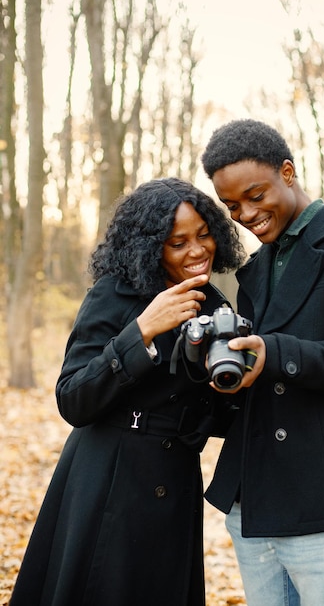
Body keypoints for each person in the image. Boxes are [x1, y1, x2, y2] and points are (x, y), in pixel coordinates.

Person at [9, 177, 245, 606]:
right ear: (152, 246)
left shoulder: (214, 306)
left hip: (175, 480)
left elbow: (216, 413)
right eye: (178, 242)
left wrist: (232, 385)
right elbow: (72, 398)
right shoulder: (113, 295)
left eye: (204, 234)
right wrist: (142, 332)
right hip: (108, 478)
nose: (197, 251)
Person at [200, 119, 324, 606]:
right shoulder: (258, 267)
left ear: (287, 172)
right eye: (232, 207)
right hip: (253, 501)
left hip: (322, 497)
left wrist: (277, 353)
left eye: (255, 195)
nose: (246, 215)